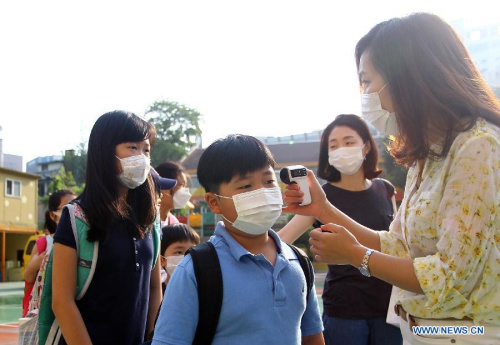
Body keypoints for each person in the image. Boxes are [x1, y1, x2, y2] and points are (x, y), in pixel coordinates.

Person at [284, 13, 500, 344]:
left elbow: (451, 278)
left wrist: (355, 255)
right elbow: (398, 245)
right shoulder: (429, 155)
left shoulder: (478, 146)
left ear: (407, 78)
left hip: (469, 333)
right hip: (427, 330)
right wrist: (324, 210)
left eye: (368, 82)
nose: (366, 95)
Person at [152, 134, 324, 345]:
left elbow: (312, 337)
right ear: (214, 202)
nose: (263, 191)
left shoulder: (299, 261)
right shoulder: (195, 270)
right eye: (246, 186)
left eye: (269, 181)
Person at [51, 111, 176, 345]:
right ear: (105, 152)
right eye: (132, 147)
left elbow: (153, 287)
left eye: (146, 150)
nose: (141, 157)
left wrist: (152, 337)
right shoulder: (77, 216)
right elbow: (61, 301)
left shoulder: (148, 219)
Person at [279, 114, 402, 345]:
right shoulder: (322, 197)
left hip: (389, 307)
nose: (341, 150)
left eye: (348, 142)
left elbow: (397, 243)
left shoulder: (385, 189)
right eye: (333, 145)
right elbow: (283, 239)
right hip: (345, 312)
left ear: (366, 147)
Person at [22, 189, 76, 317]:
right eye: (67, 208)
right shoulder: (43, 243)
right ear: (53, 215)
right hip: (45, 311)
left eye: (77, 206)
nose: (74, 212)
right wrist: (37, 263)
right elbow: (29, 277)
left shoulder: (83, 241)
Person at [159, 223, 200, 294]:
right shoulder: (157, 296)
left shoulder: (203, 293)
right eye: (179, 252)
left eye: (192, 251)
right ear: (162, 260)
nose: (187, 257)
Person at [155, 161, 192, 227]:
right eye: (181, 185)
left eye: (185, 186)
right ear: (164, 186)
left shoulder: (175, 223)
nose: (184, 191)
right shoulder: (143, 223)